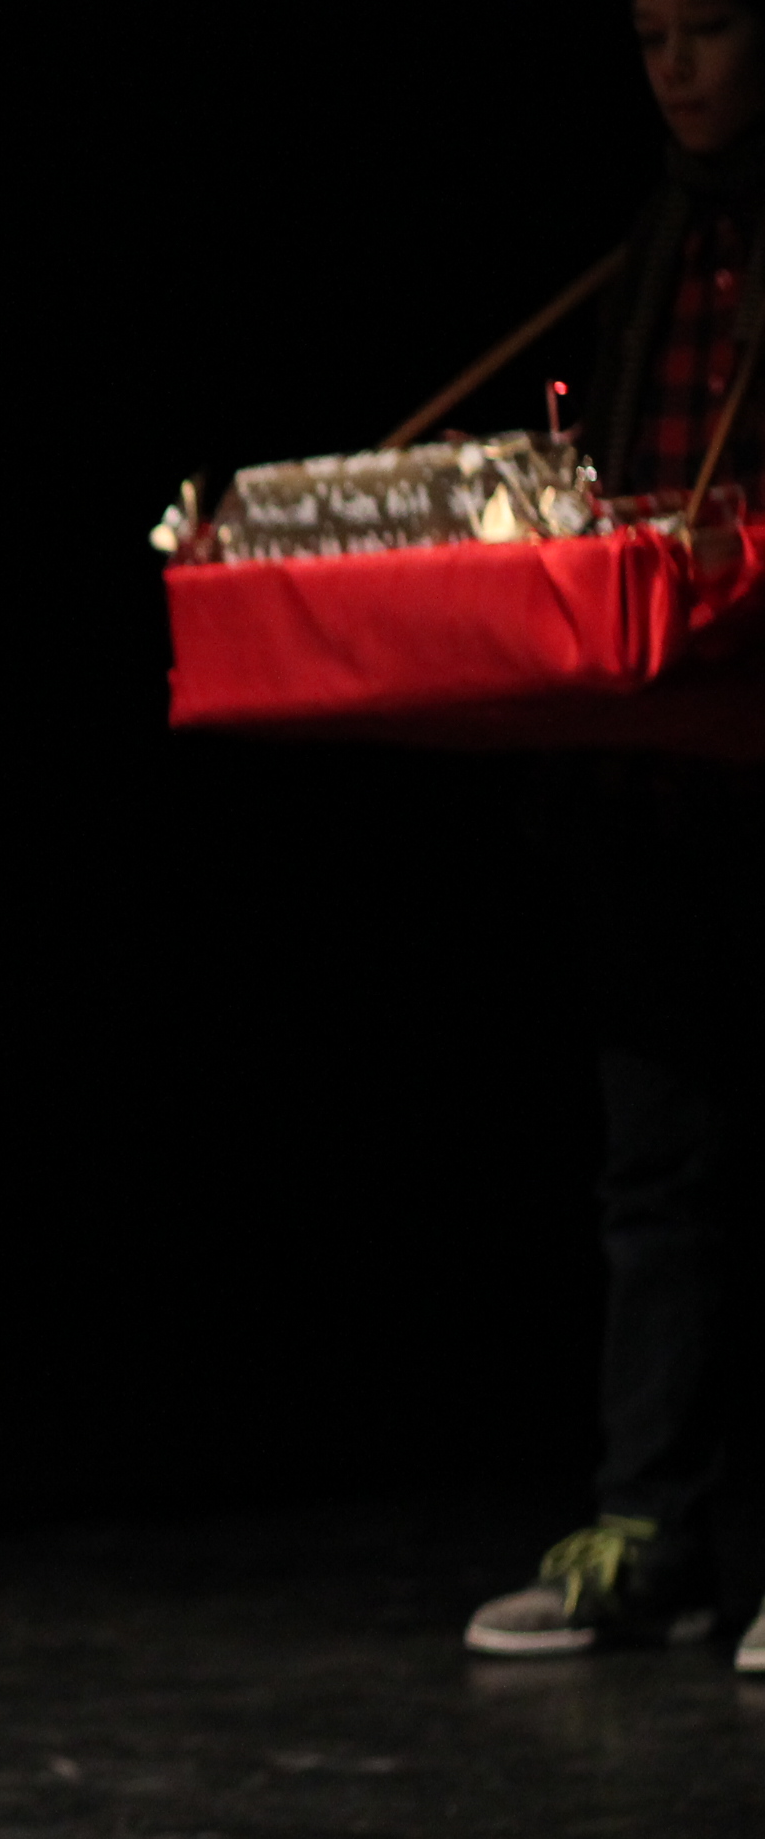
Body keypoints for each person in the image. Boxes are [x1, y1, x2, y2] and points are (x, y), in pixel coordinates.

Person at [466, 0, 765, 1673]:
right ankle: (650, 1532)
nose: (678, 66)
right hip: (656, 785)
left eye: (711, 27)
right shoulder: (659, 238)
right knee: (658, 1170)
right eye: (652, 34)